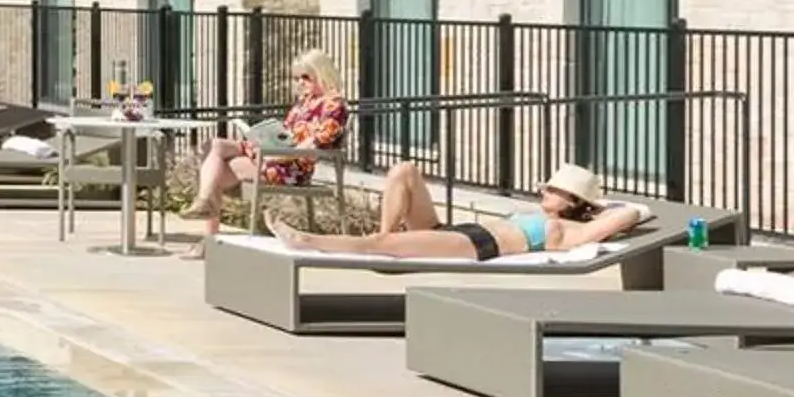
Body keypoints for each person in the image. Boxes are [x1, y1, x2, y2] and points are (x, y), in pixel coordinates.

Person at [271, 162, 649, 262]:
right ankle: (384, 242)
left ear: (571, 201)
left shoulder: (564, 231)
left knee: (384, 241)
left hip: (478, 245)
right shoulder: (551, 217)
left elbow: (631, 212)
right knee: (404, 171)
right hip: (458, 231)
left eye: (551, 188)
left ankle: (307, 241)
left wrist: (602, 207)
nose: (541, 189)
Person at [184, 50, 350, 253]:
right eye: (297, 78)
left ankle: (208, 235)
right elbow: (287, 132)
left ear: (321, 72)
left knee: (217, 170)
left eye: (305, 77)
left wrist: (279, 153)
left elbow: (316, 143)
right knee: (213, 146)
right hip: (273, 153)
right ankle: (205, 202)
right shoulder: (305, 102)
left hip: (291, 167)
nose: (301, 83)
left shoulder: (334, 105)